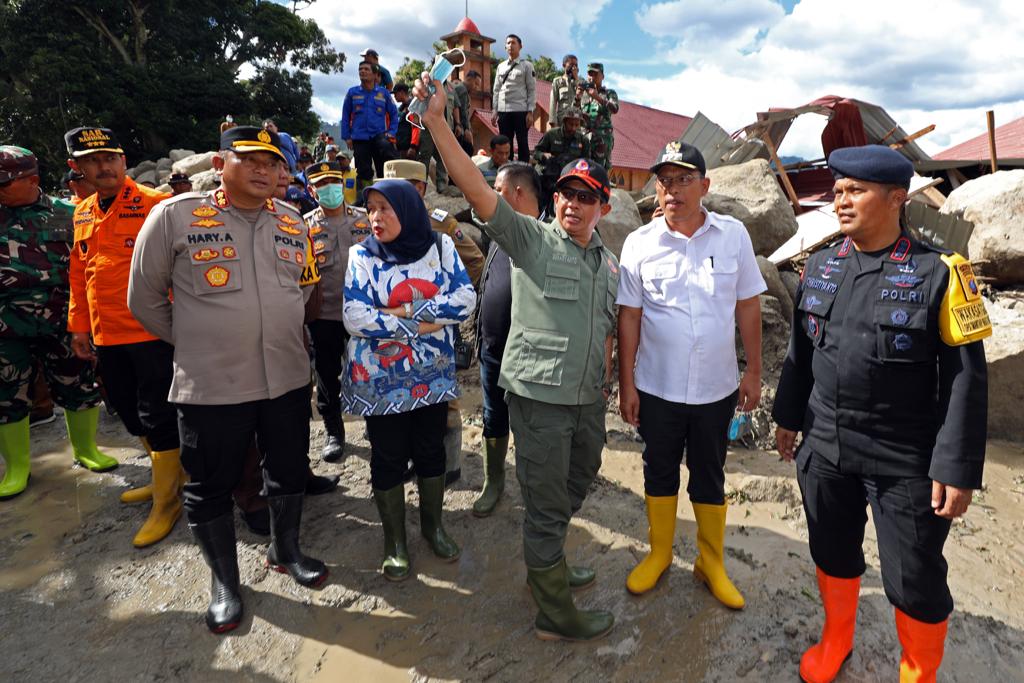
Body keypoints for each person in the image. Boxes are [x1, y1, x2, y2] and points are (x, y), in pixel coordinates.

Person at [772, 145, 990, 683]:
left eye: (856, 191)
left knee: (913, 575)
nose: (841, 202)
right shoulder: (821, 266)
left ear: (896, 199)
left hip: (906, 456)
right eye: (838, 191)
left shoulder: (942, 273)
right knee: (831, 550)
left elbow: (967, 378)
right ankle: (835, 641)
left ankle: (918, 670)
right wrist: (787, 417)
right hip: (825, 445)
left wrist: (956, 467)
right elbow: (802, 355)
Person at [416, 72, 619, 641]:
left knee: (579, 480)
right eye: (567, 195)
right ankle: (553, 608)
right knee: (548, 504)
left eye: (587, 197)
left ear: (603, 206)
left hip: (585, 401)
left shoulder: (609, 265)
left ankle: (546, 559)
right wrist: (435, 121)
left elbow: (610, 329)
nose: (574, 204)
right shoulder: (533, 238)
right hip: (539, 399)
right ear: (554, 201)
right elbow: (480, 194)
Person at [128, 126, 329, 634]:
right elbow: (144, 301)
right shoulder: (173, 218)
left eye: (273, 162)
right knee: (211, 483)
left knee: (285, 471)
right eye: (251, 160)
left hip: (284, 378)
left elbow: (306, 292)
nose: (265, 171)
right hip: (212, 384)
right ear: (221, 163)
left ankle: (287, 551)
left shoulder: (291, 222)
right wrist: (198, 341)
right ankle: (225, 582)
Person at [617, 142, 766, 608]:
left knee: (709, 473)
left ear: (705, 185)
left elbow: (747, 305)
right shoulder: (639, 244)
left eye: (683, 180)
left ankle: (710, 562)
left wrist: (754, 371)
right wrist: (626, 383)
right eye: (664, 180)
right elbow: (629, 318)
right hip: (656, 386)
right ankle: (660, 554)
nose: (673, 190)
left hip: (715, 387)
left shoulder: (733, 235)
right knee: (658, 469)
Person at [341, 179, 475, 580]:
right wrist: (425, 320)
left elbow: (465, 300)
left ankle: (433, 527)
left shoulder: (440, 247)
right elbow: (355, 316)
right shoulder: (361, 255)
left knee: (431, 450)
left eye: (386, 208)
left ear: (409, 209)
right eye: (371, 209)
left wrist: (397, 310)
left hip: (433, 376)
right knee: (388, 456)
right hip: (382, 382)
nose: (376, 218)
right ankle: (395, 540)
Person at [65, 126, 182, 548]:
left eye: (110, 158)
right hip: (105, 335)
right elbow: (80, 274)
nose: (104, 167)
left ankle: (168, 502)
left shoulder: (157, 206)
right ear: (76, 168)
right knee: (130, 414)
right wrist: (79, 325)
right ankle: (163, 478)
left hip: (151, 334)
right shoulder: (81, 213)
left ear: (123, 160)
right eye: (92, 161)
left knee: (159, 416)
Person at [0, 146, 112, 500]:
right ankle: (17, 467)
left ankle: (86, 450)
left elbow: (90, 268)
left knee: (79, 387)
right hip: (5, 329)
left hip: (62, 323)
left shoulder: (70, 214)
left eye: (4, 182)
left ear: (32, 179)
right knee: (6, 397)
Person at [382, 159, 485, 482]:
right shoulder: (374, 225)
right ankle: (410, 458)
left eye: (411, 189)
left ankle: (449, 465)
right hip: (393, 329)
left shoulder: (440, 224)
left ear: (422, 190)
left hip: (434, 328)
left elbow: (476, 263)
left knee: (445, 399)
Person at [471, 160, 544, 517]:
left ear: (516, 193)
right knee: (492, 418)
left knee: (532, 428)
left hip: (528, 358)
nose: (490, 198)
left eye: (496, 191)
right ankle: (494, 481)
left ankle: (536, 493)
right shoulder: (499, 231)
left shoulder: (545, 236)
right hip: (492, 348)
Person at [304, 160, 371, 463]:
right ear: (311, 189)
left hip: (364, 311)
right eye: (320, 184)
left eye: (332, 181)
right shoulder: (304, 227)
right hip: (325, 316)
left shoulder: (365, 220)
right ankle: (334, 432)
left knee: (368, 370)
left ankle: (374, 422)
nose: (328, 188)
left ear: (342, 183)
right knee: (327, 376)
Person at [342, 61, 399, 200]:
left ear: (375, 75)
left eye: (366, 69)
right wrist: (347, 136)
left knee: (382, 168)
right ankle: (365, 200)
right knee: (364, 171)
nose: (362, 71)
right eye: (360, 69)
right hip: (359, 138)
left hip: (379, 137)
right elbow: (345, 114)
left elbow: (394, 114)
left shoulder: (384, 93)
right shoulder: (352, 92)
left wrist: (391, 132)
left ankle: (385, 196)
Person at [533, 107, 590, 213]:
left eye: (576, 125)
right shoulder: (552, 134)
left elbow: (587, 163)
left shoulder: (583, 140)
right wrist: (543, 155)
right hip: (548, 178)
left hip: (568, 179)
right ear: (564, 122)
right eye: (571, 124)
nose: (573, 128)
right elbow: (536, 152)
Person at [491, 34, 536, 162]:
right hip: (503, 111)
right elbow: (496, 90)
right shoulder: (500, 66)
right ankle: (506, 171)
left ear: (520, 46)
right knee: (505, 143)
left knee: (522, 143)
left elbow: (531, 89)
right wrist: (494, 110)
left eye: (513, 43)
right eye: (508, 43)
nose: (510, 45)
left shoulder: (527, 65)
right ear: (505, 47)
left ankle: (524, 172)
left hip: (520, 110)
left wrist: (530, 111)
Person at [578, 63, 619, 172]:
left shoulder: (609, 93)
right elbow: (573, 113)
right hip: (585, 138)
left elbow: (615, 109)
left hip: (602, 139)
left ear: (602, 76)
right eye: (590, 74)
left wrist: (597, 97)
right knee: (583, 170)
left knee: (600, 172)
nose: (592, 77)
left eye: (595, 74)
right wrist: (577, 97)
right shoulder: (583, 93)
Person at [548, 55, 580, 129]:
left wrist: (576, 79)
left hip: (576, 122)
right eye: (571, 64)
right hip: (562, 121)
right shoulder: (557, 81)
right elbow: (552, 103)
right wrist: (553, 123)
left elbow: (582, 97)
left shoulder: (579, 82)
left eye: (576, 65)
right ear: (564, 65)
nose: (574, 67)